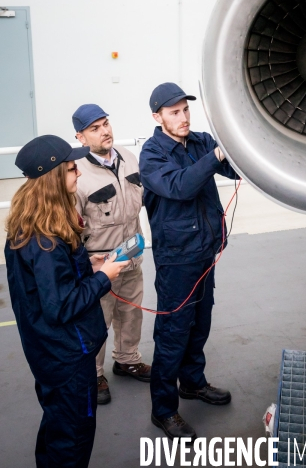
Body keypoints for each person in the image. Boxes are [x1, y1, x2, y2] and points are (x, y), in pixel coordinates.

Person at [5, 135, 129, 468]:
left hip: (46, 353)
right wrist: (106, 277)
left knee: (56, 426)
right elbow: (61, 306)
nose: (78, 175)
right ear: (54, 177)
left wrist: (89, 265)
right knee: (73, 437)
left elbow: (45, 286)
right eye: (72, 169)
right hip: (67, 359)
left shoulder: (28, 227)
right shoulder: (47, 241)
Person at [139, 82, 238, 442]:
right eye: (174, 112)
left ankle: (193, 383)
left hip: (205, 251)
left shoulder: (197, 141)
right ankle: (163, 410)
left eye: (185, 110)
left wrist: (242, 148)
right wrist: (215, 158)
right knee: (172, 334)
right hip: (176, 260)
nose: (183, 118)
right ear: (157, 116)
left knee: (199, 323)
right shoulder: (152, 154)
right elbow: (180, 186)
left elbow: (235, 168)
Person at [72, 104, 151, 405]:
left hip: (132, 253)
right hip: (100, 263)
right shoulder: (77, 175)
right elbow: (71, 229)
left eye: (105, 123)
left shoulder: (129, 159)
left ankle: (127, 359)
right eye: (94, 128)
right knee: (98, 320)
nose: (105, 130)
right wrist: (86, 266)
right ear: (80, 137)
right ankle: (94, 374)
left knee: (131, 313)